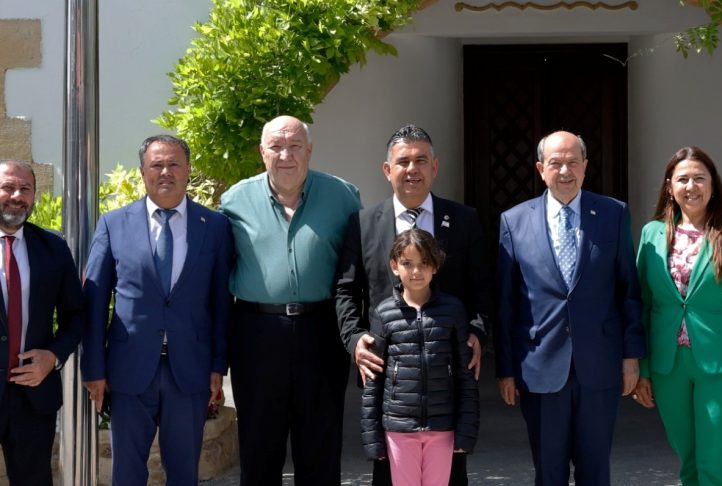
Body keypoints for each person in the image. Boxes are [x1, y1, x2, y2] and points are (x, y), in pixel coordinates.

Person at [337, 124, 491, 486]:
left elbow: (483, 287)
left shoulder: (464, 220)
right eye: (403, 161)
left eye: (421, 160)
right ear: (387, 169)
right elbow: (346, 290)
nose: (412, 169)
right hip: (388, 383)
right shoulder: (362, 223)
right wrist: (354, 338)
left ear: (434, 167)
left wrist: (477, 332)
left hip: (446, 383)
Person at [494, 130, 645, 485]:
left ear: (585, 166)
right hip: (540, 368)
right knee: (549, 472)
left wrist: (631, 356)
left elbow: (628, 290)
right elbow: (506, 302)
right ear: (540, 169)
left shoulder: (613, 213)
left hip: (600, 365)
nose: (565, 171)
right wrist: (506, 370)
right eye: (555, 163)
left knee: (596, 471)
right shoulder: (514, 220)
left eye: (573, 162)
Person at [80, 135, 232, 484]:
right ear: (142, 171)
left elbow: (222, 303)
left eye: (174, 163)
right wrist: (94, 368)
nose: (166, 172)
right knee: (127, 474)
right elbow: (95, 301)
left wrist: (218, 364)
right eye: (157, 164)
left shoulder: (215, 227)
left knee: (184, 473)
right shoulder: (114, 223)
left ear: (188, 169)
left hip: (189, 370)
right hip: (129, 369)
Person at [220, 115, 361, 484]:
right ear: (262, 152)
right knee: (259, 448)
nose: (286, 155)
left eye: (295, 145)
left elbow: (359, 268)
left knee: (320, 448)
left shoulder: (343, 196)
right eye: (276, 146)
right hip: (257, 333)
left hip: (322, 331)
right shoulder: (234, 201)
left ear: (309, 150)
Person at [632, 146, 722, 485]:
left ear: (713, 184)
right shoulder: (651, 234)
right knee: (688, 458)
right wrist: (643, 369)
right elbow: (642, 304)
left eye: (699, 178)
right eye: (682, 179)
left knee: (714, 459)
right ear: (669, 187)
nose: (691, 186)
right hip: (668, 365)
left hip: (721, 366)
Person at [360, 229, 479, 486]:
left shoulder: (453, 310)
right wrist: (372, 439)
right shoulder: (384, 313)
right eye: (407, 263)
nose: (416, 271)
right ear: (394, 266)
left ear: (435, 266)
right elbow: (373, 382)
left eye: (424, 263)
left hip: (442, 427)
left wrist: (466, 433)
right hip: (398, 429)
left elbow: (465, 376)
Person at [0, 159, 85, 485]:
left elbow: (76, 315)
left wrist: (53, 356)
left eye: (26, 189)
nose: (17, 196)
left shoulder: (53, 248)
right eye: (8, 187)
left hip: (33, 398)